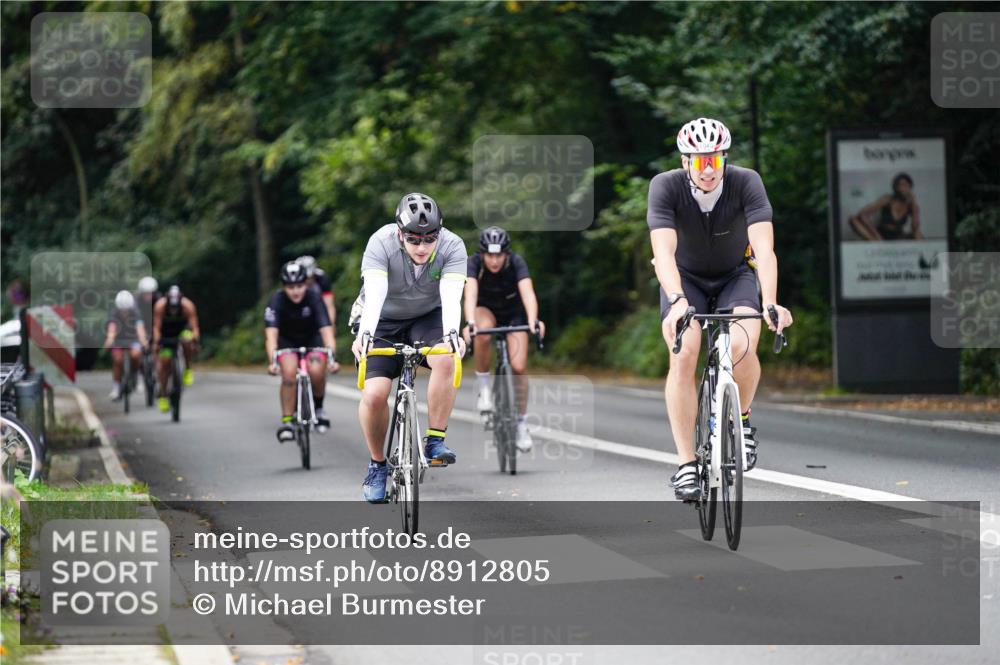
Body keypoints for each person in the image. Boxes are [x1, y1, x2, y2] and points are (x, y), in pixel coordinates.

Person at [646, 117, 793, 501]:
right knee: (685, 353)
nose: (708, 169)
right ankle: (685, 465)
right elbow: (662, 253)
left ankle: (741, 420)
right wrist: (677, 300)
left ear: (724, 158)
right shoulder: (665, 187)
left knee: (744, 343)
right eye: (698, 161)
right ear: (684, 162)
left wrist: (772, 301)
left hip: (734, 276)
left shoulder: (747, 182)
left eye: (714, 159)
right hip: (685, 281)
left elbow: (764, 248)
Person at [351, 192, 467, 503]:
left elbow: (452, 295)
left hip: (428, 316)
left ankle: (435, 440)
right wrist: (365, 333)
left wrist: (453, 332)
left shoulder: (453, 246)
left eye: (429, 239)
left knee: (446, 358)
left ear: (438, 234)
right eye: (414, 240)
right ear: (400, 233)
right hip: (383, 319)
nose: (421, 247)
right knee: (375, 394)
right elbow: (374, 294)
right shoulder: (381, 243)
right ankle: (377, 465)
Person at [462, 226, 545, 452]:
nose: (495, 260)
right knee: (482, 329)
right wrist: (469, 323)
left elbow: (528, 294)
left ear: (507, 254)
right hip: (485, 309)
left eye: (499, 255)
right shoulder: (474, 263)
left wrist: (533, 320)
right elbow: (469, 295)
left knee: (518, 367)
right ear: (482, 254)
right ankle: (485, 390)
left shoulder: (517, 262)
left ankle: (521, 424)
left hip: (513, 312)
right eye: (490, 255)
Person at [265, 262, 338, 440]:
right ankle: (287, 421)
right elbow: (271, 335)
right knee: (289, 373)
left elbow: (327, 331)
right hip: (287, 341)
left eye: (299, 286)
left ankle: (319, 409)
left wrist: (332, 358)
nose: (296, 291)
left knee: (317, 371)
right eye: (291, 287)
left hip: (312, 339)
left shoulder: (314, 298)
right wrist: (273, 362)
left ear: (306, 284)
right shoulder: (276, 300)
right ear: (284, 287)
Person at [152, 285, 201, 412]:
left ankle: (188, 368)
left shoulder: (188, 306)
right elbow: (156, 328)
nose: (173, 310)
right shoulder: (160, 306)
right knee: (165, 362)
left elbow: (195, 326)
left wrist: (195, 338)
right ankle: (163, 394)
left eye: (176, 307)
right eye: (171, 308)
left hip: (182, 331)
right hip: (166, 334)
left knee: (187, 340)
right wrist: (157, 341)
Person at [847, 173, 923, 241]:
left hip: (898, 236)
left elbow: (914, 228)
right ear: (895, 187)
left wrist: (913, 203)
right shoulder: (888, 199)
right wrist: (876, 234)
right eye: (899, 185)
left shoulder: (912, 205)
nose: (902, 188)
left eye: (905, 185)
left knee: (918, 235)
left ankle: (879, 243)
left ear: (910, 187)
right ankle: (876, 242)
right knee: (853, 219)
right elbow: (862, 214)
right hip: (881, 234)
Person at [103, 290, 148, 400]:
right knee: (117, 360)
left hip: (133, 339)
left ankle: (138, 376)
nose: (124, 312)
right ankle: (116, 387)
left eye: (126, 310)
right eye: (122, 310)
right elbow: (112, 328)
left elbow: (139, 328)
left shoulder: (135, 312)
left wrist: (143, 340)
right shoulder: (114, 313)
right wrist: (109, 339)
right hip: (119, 340)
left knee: (136, 355)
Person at [296, 255, 337, 328]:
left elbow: (329, 305)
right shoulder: (293, 283)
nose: (308, 281)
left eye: (310, 277)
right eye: (305, 279)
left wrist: (331, 324)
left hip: (319, 307)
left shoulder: (322, 278)